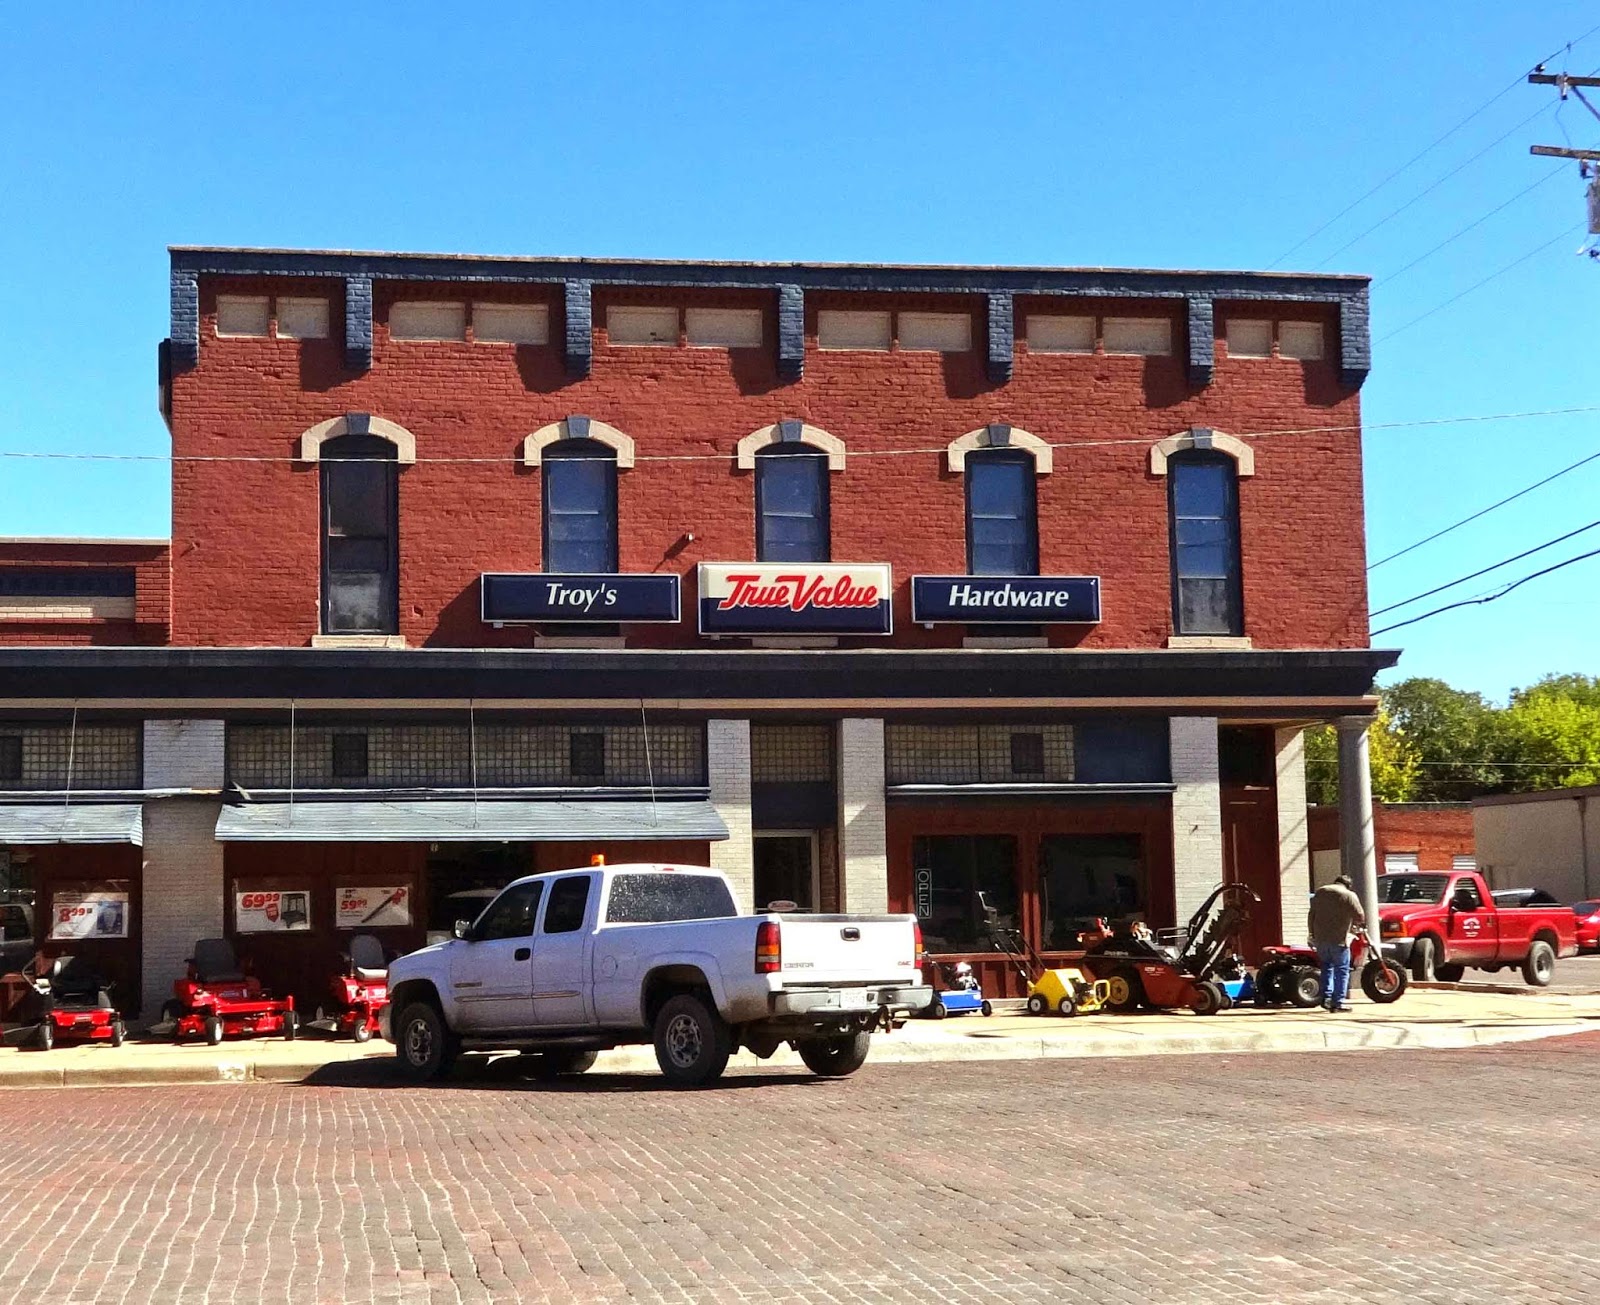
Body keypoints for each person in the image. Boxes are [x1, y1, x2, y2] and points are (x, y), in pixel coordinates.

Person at [1307, 874, 1366, 1013]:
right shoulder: (1349, 895)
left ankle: (1325, 997)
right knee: (1342, 970)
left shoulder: (1320, 892)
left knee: (1326, 967)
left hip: (1320, 939)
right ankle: (1337, 1002)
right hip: (1339, 940)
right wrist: (1358, 924)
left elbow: (1311, 914)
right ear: (1348, 885)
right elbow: (1360, 915)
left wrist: (1312, 934)